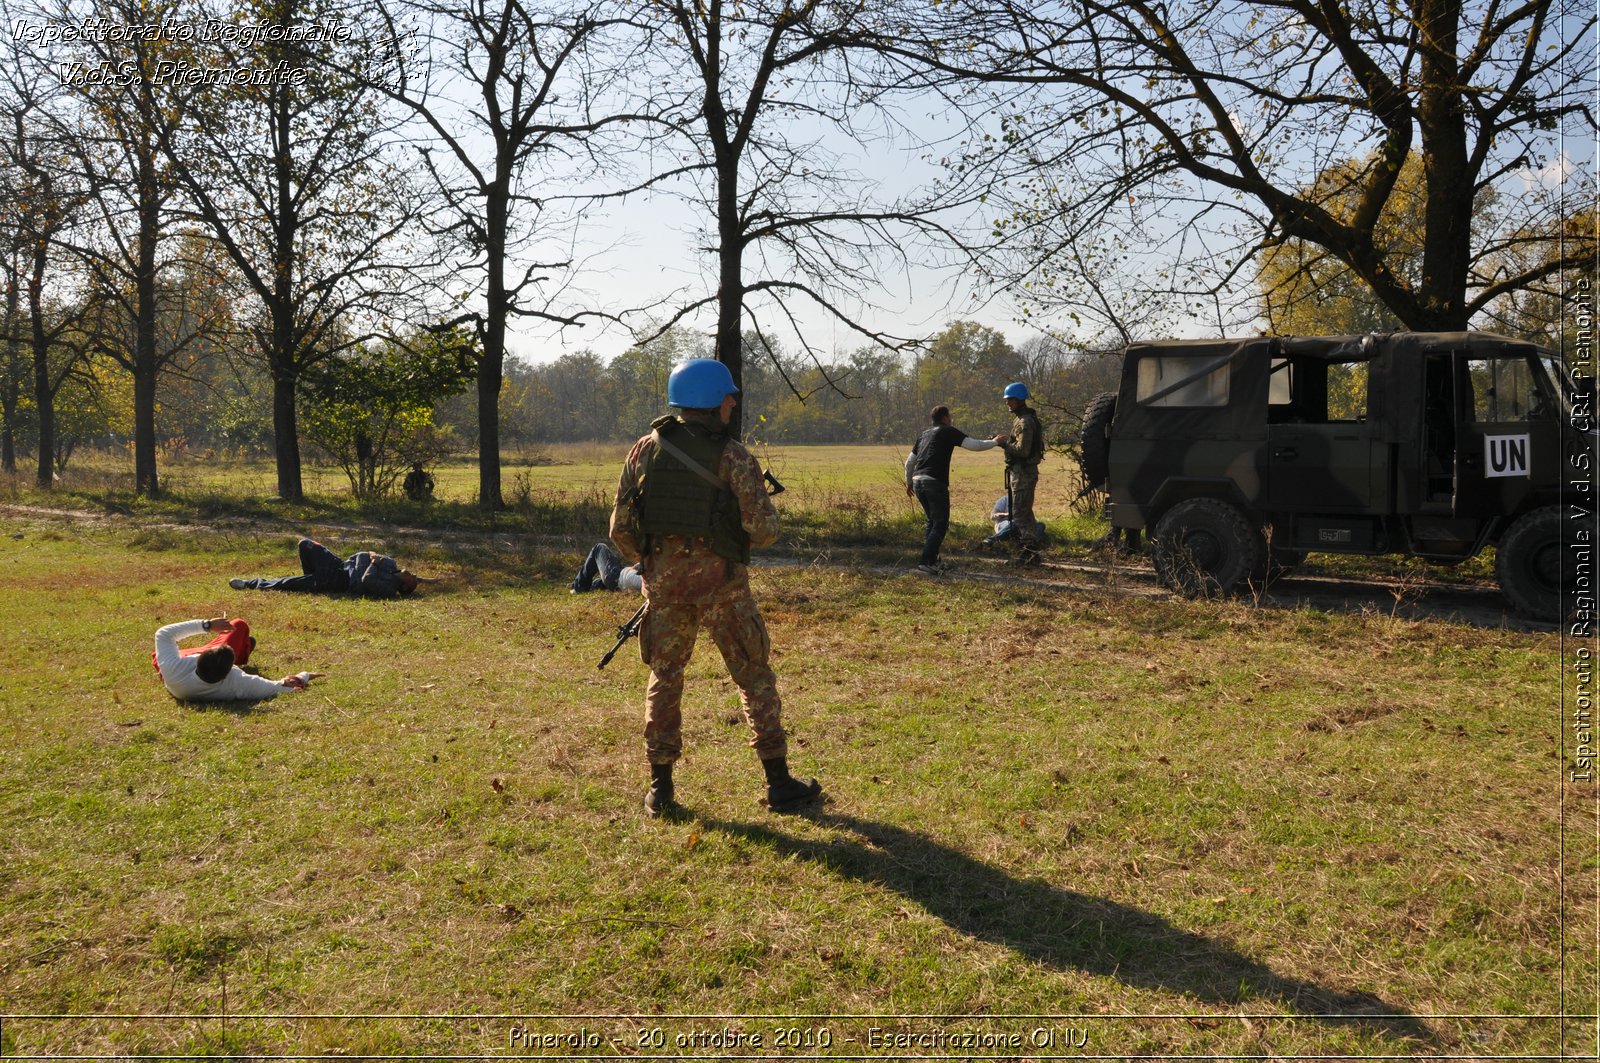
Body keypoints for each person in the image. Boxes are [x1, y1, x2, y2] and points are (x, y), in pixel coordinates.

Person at [609, 357, 822, 818]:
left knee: (665, 679)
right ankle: (779, 783)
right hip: (723, 587)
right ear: (711, 400)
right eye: (728, 396)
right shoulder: (734, 456)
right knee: (753, 676)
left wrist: (653, 564)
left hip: (664, 590)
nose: (732, 402)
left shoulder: (644, 449)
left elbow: (620, 529)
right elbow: (764, 530)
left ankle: (660, 790)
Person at [903, 404, 1003, 574]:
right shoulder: (947, 431)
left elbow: (909, 462)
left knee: (932, 522)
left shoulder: (923, 435)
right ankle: (925, 562)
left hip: (918, 481)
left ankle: (932, 561)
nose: (951, 419)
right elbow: (974, 445)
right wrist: (995, 442)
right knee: (941, 524)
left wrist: (909, 483)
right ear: (944, 418)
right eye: (950, 416)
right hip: (934, 482)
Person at [152, 616, 323, 702]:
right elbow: (280, 686)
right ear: (229, 671)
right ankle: (244, 647)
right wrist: (305, 675)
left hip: (175, 671)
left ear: (199, 659)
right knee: (239, 625)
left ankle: (245, 646)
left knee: (157, 655)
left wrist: (207, 625)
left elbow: (163, 633)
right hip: (188, 671)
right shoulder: (236, 682)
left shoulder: (174, 668)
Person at [229, 538, 421, 598]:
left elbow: (366, 580)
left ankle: (250, 584)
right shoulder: (391, 563)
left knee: (287, 583)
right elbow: (367, 552)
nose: (413, 575)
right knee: (306, 544)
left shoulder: (389, 589)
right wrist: (372, 558)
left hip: (339, 581)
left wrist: (373, 562)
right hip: (340, 565)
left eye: (413, 580)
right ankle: (311, 580)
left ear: (404, 587)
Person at [997, 381, 1046, 565]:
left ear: (1018, 400)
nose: (1007, 403)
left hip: (1024, 474)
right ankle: (1031, 553)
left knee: (1020, 514)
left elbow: (1023, 451)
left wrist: (1003, 444)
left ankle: (1029, 554)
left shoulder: (1025, 422)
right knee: (1024, 513)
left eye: (1009, 400)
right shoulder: (1021, 419)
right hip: (1021, 472)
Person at [572, 541, 644, 594]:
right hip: (618, 583)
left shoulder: (650, 580)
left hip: (616, 576)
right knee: (598, 582)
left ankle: (579, 587)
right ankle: (580, 585)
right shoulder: (652, 578)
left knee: (599, 548)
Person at [984, 495, 1048, 548]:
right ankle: (993, 539)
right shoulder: (1005, 500)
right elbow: (992, 516)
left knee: (1041, 525)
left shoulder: (1024, 502)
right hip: (1005, 523)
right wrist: (1006, 514)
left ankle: (1027, 543)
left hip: (1022, 524)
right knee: (1016, 522)